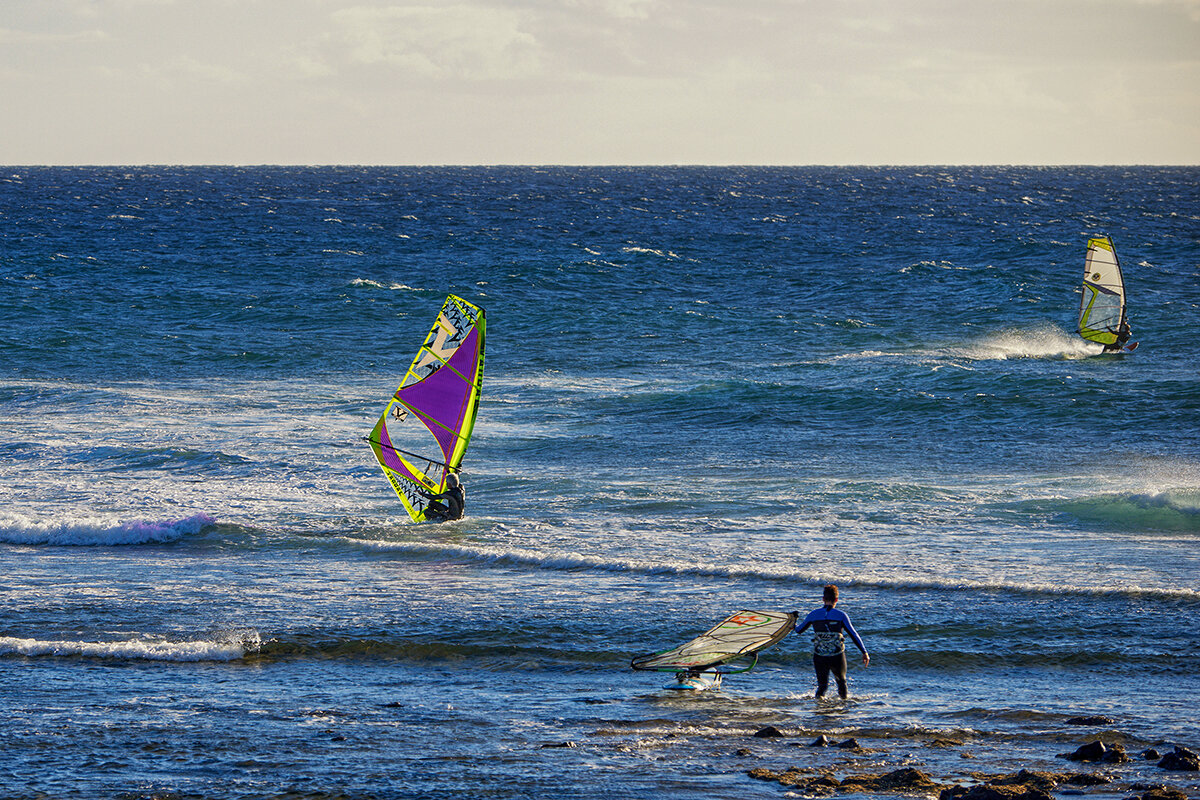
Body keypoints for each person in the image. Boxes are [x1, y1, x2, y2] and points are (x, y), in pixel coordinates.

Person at [794, 584, 869, 699]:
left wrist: (792, 622)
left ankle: (819, 711)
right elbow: (853, 634)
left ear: (823, 599)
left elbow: (799, 630)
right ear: (836, 599)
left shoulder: (813, 614)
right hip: (837, 656)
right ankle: (843, 712)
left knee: (822, 686)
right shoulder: (841, 615)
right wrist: (864, 652)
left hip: (819, 656)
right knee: (841, 683)